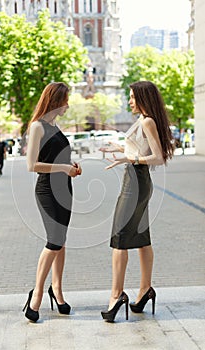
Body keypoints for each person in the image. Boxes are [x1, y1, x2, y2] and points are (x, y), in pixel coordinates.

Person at [100, 81, 174, 322]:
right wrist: (120, 147)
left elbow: (158, 157)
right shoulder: (143, 120)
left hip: (135, 184)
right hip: (136, 182)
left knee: (119, 239)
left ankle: (115, 296)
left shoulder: (147, 121)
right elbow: (139, 149)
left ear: (143, 98)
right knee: (141, 237)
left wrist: (129, 158)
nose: (129, 101)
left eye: (132, 97)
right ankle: (144, 291)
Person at [23, 82, 82, 322]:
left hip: (65, 189)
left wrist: (73, 166)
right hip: (47, 190)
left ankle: (57, 291)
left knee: (61, 241)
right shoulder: (37, 127)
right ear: (56, 100)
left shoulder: (55, 127)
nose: (68, 105)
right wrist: (63, 168)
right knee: (54, 241)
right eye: (65, 100)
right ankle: (36, 294)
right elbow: (32, 165)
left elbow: (61, 158)